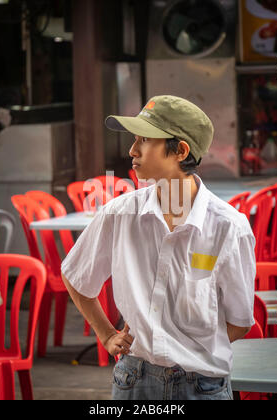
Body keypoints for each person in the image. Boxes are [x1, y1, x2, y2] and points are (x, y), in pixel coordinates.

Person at [61, 95, 256, 400]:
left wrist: (187, 350)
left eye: (144, 140)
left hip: (204, 387)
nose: (132, 150)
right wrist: (106, 334)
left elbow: (239, 322)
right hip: (133, 382)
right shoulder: (119, 214)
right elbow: (76, 275)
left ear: (180, 150)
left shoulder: (228, 227)